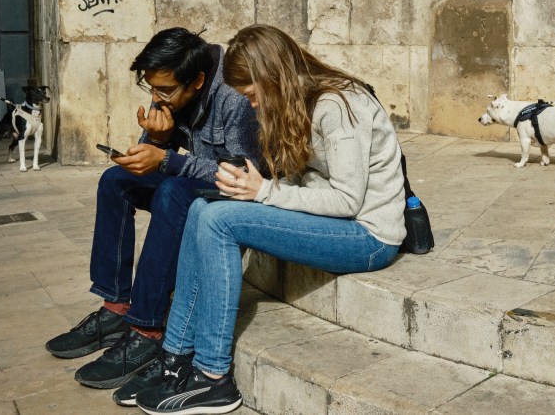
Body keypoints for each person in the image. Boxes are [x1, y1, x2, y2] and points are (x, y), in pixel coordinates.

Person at [124, 24, 406, 414]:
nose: (252, 106)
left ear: (275, 77)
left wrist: (263, 192)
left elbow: (347, 200)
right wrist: (249, 186)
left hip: (368, 236)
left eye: (252, 96)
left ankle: (212, 377)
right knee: (203, 207)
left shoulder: (340, 106)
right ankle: (176, 356)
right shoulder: (297, 103)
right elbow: (301, 179)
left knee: (220, 220)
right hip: (333, 223)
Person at [45, 28, 260, 391]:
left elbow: (243, 172)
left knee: (172, 193)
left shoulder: (233, 97)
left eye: (165, 90)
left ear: (198, 81)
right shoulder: (172, 91)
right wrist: (157, 139)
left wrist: (170, 161)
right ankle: (116, 308)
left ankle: (147, 329)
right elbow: (157, 156)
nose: (157, 97)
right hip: (196, 179)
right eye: (151, 88)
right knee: (116, 181)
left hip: (239, 191)